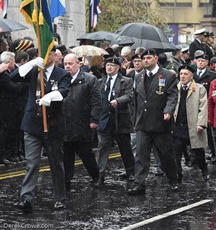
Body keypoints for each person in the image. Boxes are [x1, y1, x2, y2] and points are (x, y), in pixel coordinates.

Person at [12, 47, 71, 212]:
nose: (44, 57)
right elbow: (14, 76)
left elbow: (64, 91)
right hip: (32, 125)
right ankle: (26, 199)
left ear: (54, 56)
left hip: (53, 127)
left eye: (47, 54)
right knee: (32, 163)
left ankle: (59, 199)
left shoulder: (62, 74)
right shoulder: (34, 70)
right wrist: (31, 63)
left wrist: (50, 97)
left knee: (55, 164)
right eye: (41, 54)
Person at [128, 49, 179, 195]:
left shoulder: (168, 76)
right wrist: (135, 119)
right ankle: (139, 183)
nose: (146, 61)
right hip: (143, 123)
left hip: (160, 123)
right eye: (144, 58)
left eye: (149, 58)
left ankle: (173, 180)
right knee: (140, 155)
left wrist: (168, 111)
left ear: (156, 58)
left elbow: (172, 96)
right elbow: (137, 99)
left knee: (166, 155)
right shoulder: (139, 76)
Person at [62, 53, 101, 190]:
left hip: (82, 124)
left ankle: (96, 176)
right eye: (65, 64)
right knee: (66, 156)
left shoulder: (89, 79)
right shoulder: (62, 79)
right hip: (65, 124)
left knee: (86, 155)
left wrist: (94, 119)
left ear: (78, 64)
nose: (67, 66)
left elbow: (96, 101)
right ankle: (66, 181)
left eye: (70, 63)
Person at [97, 57, 135, 183]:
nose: (109, 67)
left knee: (125, 148)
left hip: (120, 119)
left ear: (118, 68)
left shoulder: (126, 81)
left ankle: (131, 172)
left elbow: (130, 95)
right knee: (103, 148)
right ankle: (99, 174)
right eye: (107, 65)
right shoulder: (101, 81)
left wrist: (118, 101)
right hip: (105, 119)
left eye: (112, 65)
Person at [173, 64, 209, 183]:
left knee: (198, 152)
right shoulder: (175, 88)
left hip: (193, 126)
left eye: (185, 74)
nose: (182, 76)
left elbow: (203, 107)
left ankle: (204, 169)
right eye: (181, 74)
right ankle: (178, 174)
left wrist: (201, 124)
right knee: (176, 153)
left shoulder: (199, 89)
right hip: (178, 126)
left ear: (192, 76)